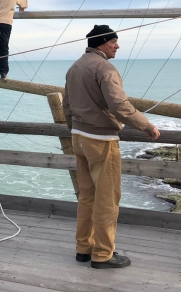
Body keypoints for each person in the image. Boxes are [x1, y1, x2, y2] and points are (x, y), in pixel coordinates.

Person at [62, 25, 160, 269]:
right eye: (113, 42)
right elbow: (120, 105)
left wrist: (73, 128)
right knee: (107, 199)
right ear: (101, 43)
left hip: (79, 137)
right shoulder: (105, 68)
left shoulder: (75, 67)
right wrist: (146, 125)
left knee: (87, 196)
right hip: (101, 140)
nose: (117, 46)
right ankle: (103, 254)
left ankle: (83, 248)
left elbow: (67, 105)